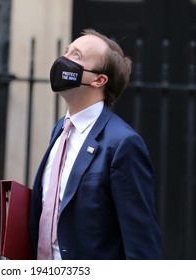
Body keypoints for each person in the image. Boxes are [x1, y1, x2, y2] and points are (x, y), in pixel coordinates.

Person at [29, 28, 162, 260]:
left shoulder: (123, 144)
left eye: (76, 56)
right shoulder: (60, 129)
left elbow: (141, 241)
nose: (63, 61)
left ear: (99, 80)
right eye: (66, 51)